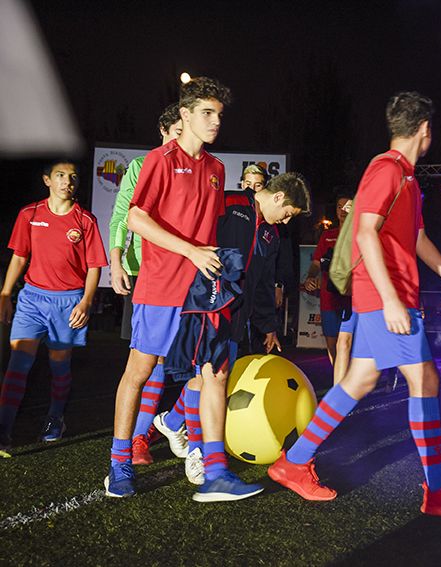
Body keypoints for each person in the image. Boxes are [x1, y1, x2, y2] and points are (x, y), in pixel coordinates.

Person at [267, 91, 441, 518]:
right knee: (426, 381)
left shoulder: (408, 180)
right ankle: (439, 490)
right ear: (425, 130)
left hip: (387, 298)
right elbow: (366, 233)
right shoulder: (386, 169)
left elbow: (417, 239)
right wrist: (391, 300)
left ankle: (293, 462)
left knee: (357, 382)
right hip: (386, 299)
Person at [104, 76, 260, 502]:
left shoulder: (217, 169)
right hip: (159, 286)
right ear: (186, 115)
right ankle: (119, 464)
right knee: (139, 371)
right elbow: (136, 218)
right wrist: (190, 251)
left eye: (219, 115)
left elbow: (206, 229)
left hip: (201, 290)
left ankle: (216, 474)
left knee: (215, 373)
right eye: (207, 113)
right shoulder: (159, 159)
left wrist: (213, 265)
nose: (215, 122)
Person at [157, 171, 311, 487]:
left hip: (236, 317)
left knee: (212, 378)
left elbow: (264, 284)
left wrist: (268, 326)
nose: (285, 222)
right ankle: (199, 454)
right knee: (208, 377)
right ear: (279, 197)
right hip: (205, 307)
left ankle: (173, 422)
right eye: (287, 214)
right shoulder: (229, 203)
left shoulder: (271, 235)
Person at [0, 160, 107, 455]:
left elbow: (95, 266)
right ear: (47, 180)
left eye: (73, 177)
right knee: (17, 366)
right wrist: (5, 293)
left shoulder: (85, 220)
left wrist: (86, 301)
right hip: (32, 300)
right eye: (60, 175)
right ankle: (3, 430)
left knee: (59, 366)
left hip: (69, 302)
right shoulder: (29, 214)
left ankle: (55, 417)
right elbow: (20, 257)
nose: (67, 182)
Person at [108, 103, 183, 465]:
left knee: (168, 360)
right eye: (175, 134)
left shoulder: (197, 170)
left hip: (178, 275)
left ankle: (148, 432)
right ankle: (132, 442)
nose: (179, 142)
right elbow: (124, 215)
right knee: (143, 361)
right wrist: (117, 259)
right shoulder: (141, 166)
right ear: (163, 133)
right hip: (144, 273)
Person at [303, 194, 354, 384]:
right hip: (329, 297)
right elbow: (316, 263)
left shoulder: (361, 235)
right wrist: (310, 276)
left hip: (353, 298)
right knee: (332, 343)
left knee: (348, 343)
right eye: (339, 207)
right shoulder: (327, 235)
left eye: (347, 207)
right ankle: (340, 380)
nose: (342, 211)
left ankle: (346, 385)